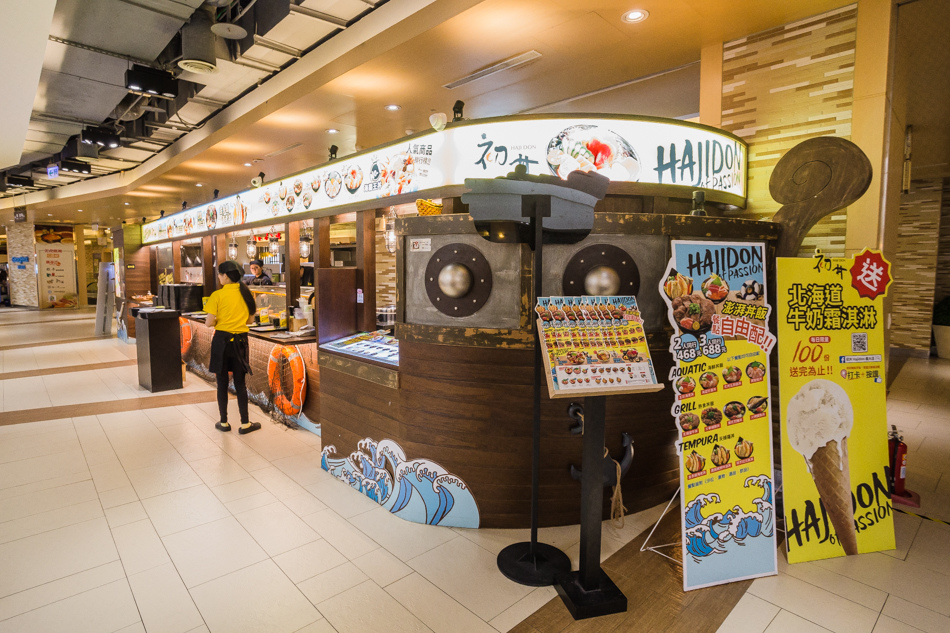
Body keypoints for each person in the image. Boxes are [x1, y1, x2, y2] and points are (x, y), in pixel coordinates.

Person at [205, 260, 261, 434]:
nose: (219, 277)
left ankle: (223, 422)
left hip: (221, 341)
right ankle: (245, 424)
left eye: (220, 274)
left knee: (221, 382)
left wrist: (220, 320)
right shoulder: (246, 294)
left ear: (226, 276)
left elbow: (208, 323)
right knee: (240, 383)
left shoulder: (217, 295)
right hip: (240, 342)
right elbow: (250, 321)